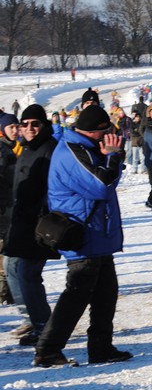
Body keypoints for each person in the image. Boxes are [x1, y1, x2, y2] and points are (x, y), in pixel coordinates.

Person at [34, 105, 132, 367]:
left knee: (105, 296)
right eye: (106, 132)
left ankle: (101, 348)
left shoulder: (87, 148)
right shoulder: (72, 152)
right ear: (95, 132)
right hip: (82, 236)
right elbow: (101, 186)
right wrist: (113, 156)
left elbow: (107, 181)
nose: (110, 137)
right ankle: (47, 350)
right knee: (75, 296)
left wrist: (112, 157)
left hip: (96, 235)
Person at [3, 105, 57, 346]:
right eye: (24, 124)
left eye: (34, 124)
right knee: (12, 267)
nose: (28, 128)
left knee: (27, 273)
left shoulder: (49, 149)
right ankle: (32, 319)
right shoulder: (26, 149)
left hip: (38, 223)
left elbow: (53, 188)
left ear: (44, 125)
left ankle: (44, 325)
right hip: (20, 222)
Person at [0, 113, 21, 305]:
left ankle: (6, 294)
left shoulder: (9, 149)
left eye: (17, 126)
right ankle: (4, 294)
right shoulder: (2, 151)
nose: (15, 131)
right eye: (11, 127)